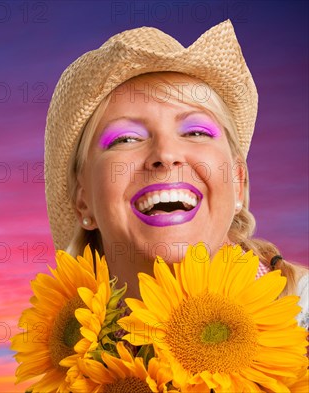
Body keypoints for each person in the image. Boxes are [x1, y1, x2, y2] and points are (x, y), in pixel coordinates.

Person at [44, 20, 308, 326]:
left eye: (196, 132)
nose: (166, 155)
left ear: (238, 181)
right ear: (83, 200)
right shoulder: (68, 354)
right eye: (126, 139)